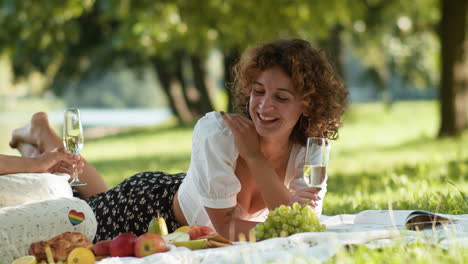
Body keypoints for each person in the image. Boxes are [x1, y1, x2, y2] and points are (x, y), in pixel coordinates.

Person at [9, 38, 348, 241]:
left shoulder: (312, 150)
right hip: (145, 210)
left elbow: (300, 223)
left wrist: (296, 218)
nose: (264, 106)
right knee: (79, 209)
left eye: (281, 97)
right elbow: (230, 227)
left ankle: (42, 136)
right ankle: (38, 140)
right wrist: (257, 160)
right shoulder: (218, 134)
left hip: (187, 203)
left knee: (91, 193)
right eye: (258, 92)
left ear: (308, 104)